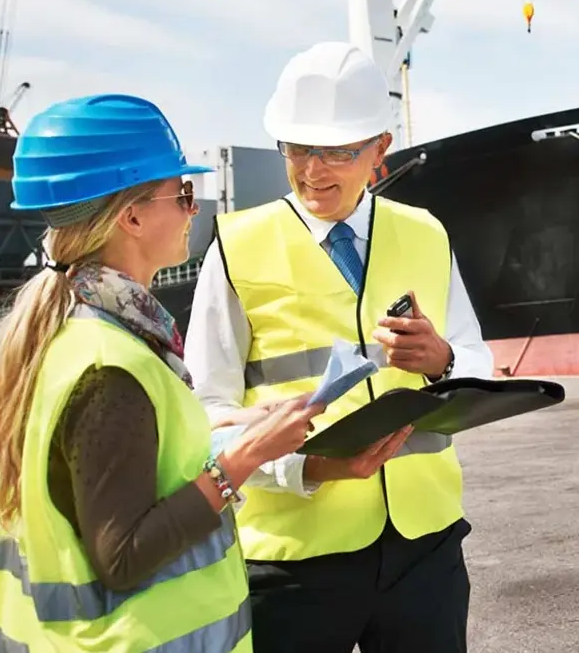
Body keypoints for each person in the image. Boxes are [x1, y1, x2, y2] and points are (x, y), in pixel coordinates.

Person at [0, 93, 325, 653]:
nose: (193, 209)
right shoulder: (110, 366)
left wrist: (241, 423)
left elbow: (142, 460)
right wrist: (245, 458)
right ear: (131, 216)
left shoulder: (83, 331)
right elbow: (124, 555)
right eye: (181, 194)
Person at [184, 41, 494, 653]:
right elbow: (208, 408)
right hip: (295, 556)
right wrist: (302, 467)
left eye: (336, 152)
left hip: (423, 546)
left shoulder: (426, 233)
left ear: (380, 147)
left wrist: (444, 361)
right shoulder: (237, 245)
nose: (313, 171)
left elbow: (476, 358)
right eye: (297, 149)